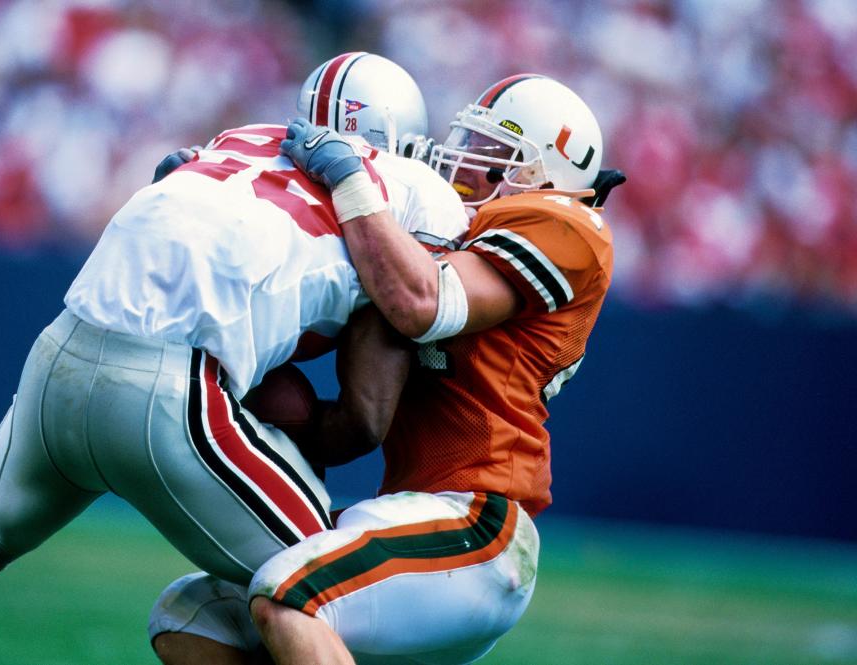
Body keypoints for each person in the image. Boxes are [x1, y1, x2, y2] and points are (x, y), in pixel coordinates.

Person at [0, 53, 468, 664]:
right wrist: (293, 423)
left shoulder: (239, 139)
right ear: (399, 138)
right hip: (170, 388)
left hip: (62, 350)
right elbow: (365, 419)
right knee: (332, 590)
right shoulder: (415, 191)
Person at [147, 74, 625, 664]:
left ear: (541, 175)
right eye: (468, 143)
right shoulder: (449, 235)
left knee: (292, 594)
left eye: (491, 152)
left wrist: (351, 182)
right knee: (190, 618)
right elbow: (342, 346)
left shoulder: (566, 224)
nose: (463, 163)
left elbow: (423, 305)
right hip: (411, 511)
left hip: (477, 520)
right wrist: (212, 204)